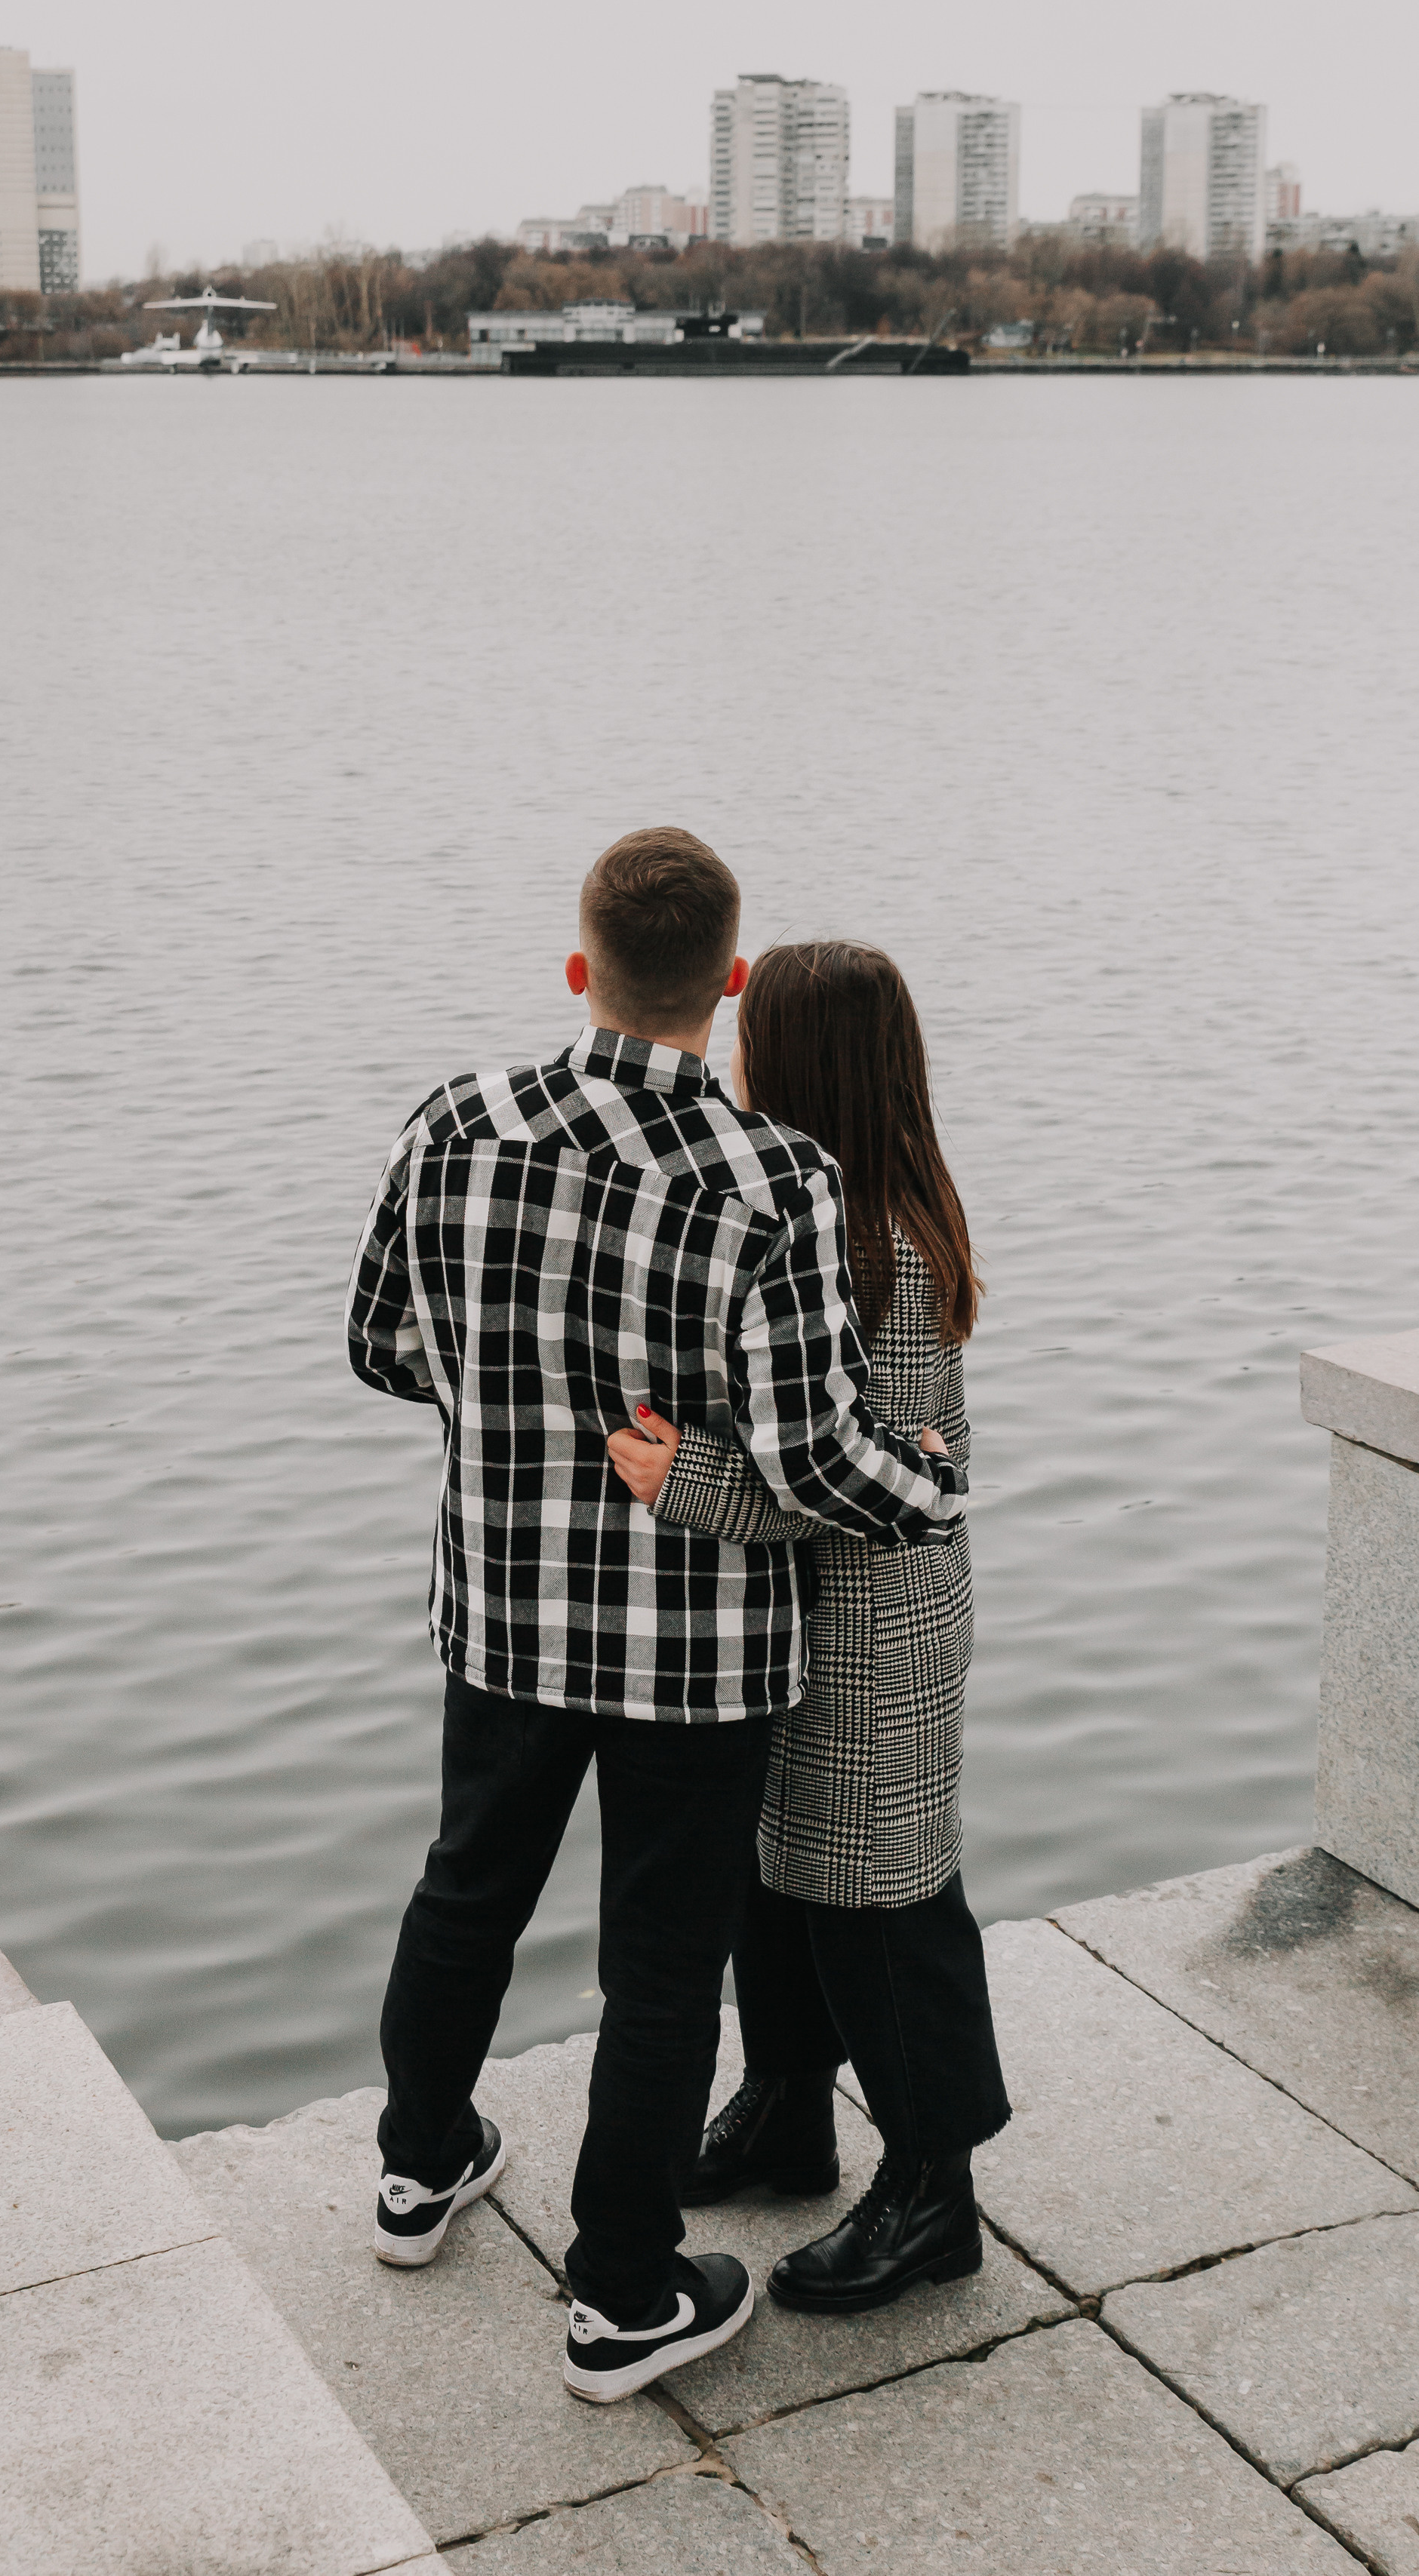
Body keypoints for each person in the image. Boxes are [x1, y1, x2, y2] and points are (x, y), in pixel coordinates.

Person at [347, 836, 968, 2402]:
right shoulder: (775, 1180)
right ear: (729, 980)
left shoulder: (453, 1120)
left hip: (498, 1607)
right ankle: (619, 2290)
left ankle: (420, 2168)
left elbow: (377, 1344)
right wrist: (931, 1490)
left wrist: (510, 1408)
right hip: (694, 1650)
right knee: (658, 1967)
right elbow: (812, 1452)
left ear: (580, 963)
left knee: (463, 1890)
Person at [607, 939, 1010, 2319]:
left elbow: (862, 1492)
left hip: (872, 1636)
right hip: (799, 1629)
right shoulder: (822, 1203)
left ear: (797, 1059)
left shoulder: (876, 1242)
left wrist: (685, 1480)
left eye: (751, 1032)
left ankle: (932, 2192)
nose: (729, 1048)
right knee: (778, 1889)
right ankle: (786, 2113)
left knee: (887, 1913)